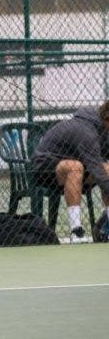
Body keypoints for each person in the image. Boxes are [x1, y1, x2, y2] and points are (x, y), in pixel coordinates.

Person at [31, 102, 109, 243]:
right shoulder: (87, 133)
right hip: (44, 168)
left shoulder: (103, 128)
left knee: (107, 168)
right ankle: (76, 231)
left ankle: (107, 225)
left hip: (78, 169)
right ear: (107, 117)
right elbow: (96, 170)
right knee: (75, 167)